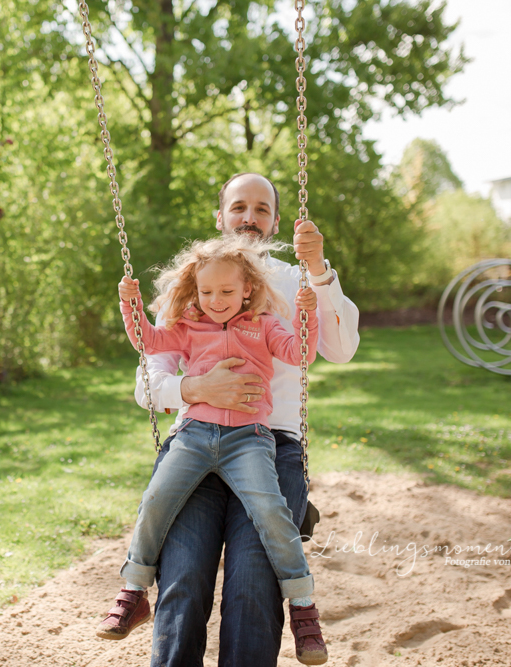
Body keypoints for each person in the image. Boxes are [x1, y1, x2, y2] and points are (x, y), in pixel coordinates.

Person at [135, 173, 360, 666]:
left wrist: (319, 268)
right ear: (221, 217)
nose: (249, 218)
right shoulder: (198, 285)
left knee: (252, 587)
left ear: (276, 222)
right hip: (195, 441)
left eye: (261, 209)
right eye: (239, 207)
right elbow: (146, 382)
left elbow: (340, 349)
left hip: (270, 446)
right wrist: (195, 388)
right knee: (183, 579)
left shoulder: (299, 278)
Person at [96, 234, 326, 665]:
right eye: (206, 292)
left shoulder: (265, 323)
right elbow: (149, 342)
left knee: (272, 512)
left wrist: (306, 319)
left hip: (248, 441)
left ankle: (302, 605)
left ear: (247, 289)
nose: (216, 300)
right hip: (195, 435)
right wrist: (130, 308)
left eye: (226, 291)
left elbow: (298, 354)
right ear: (195, 291)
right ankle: (133, 589)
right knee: (155, 500)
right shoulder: (187, 324)